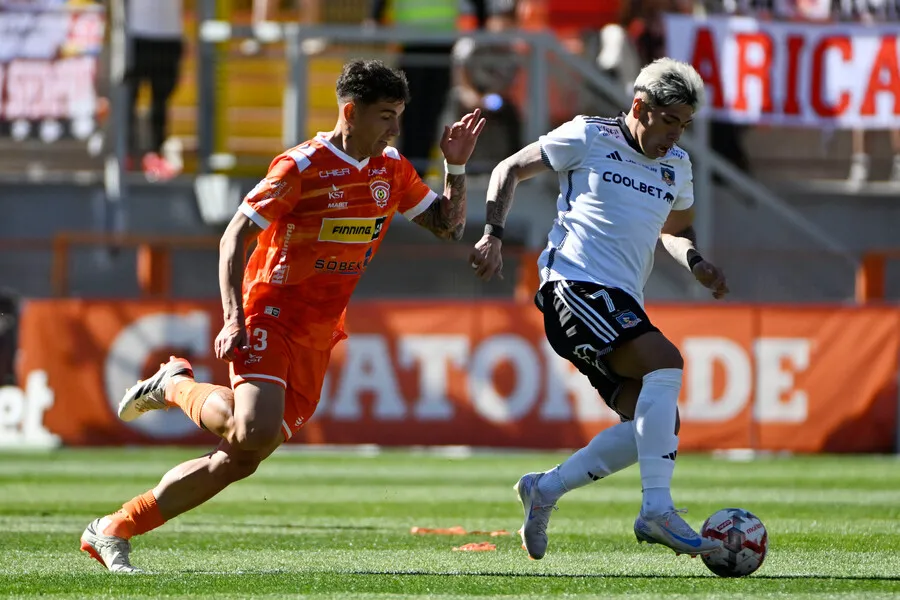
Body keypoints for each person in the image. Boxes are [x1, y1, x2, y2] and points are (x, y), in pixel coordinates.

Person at [80, 59, 485, 573]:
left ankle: (113, 526)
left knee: (241, 456)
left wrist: (456, 166)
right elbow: (233, 236)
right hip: (268, 309)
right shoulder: (302, 167)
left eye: (399, 115)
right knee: (251, 430)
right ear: (350, 112)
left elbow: (448, 227)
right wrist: (233, 319)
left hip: (320, 330)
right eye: (385, 116)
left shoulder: (392, 170)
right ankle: (177, 387)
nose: (395, 128)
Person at [469, 57, 728, 560]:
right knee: (665, 361)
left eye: (685, 124)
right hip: (574, 286)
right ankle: (656, 509)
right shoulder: (589, 136)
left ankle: (544, 489)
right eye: (669, 120)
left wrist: (695, 261)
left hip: (621, 300)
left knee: (654, 426)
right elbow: (509, 169)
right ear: (640, 107)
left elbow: (673, 230)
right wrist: (492, 234)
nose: (675, 135)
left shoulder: (678, 165)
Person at [365, 0, 487, 176]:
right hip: (413, 45)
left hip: (439, 45)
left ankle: (416, 175)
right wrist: (374, 16)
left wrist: (482, 22)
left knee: (431, 113)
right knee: (411, 114)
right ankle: (408, 173)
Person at [125, 0, 185, 181]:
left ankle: (155, 153)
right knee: (129, 97)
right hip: (137, 33)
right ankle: (128, 152)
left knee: (161, 100)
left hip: (169, 33)